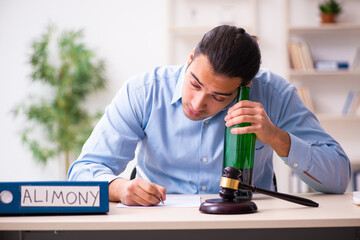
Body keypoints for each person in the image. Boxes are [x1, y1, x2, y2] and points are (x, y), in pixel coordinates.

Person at [68, 25, 351, 206]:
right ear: (190, 59)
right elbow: (81, 172)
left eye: (219, 96)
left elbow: (339, 179)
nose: (197, 103)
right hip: (159, 226)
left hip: (250, 225)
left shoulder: (274, 94)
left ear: (245, 87)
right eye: (195, 83)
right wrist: (119, 188)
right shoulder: (142, 92)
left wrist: (277, 138)